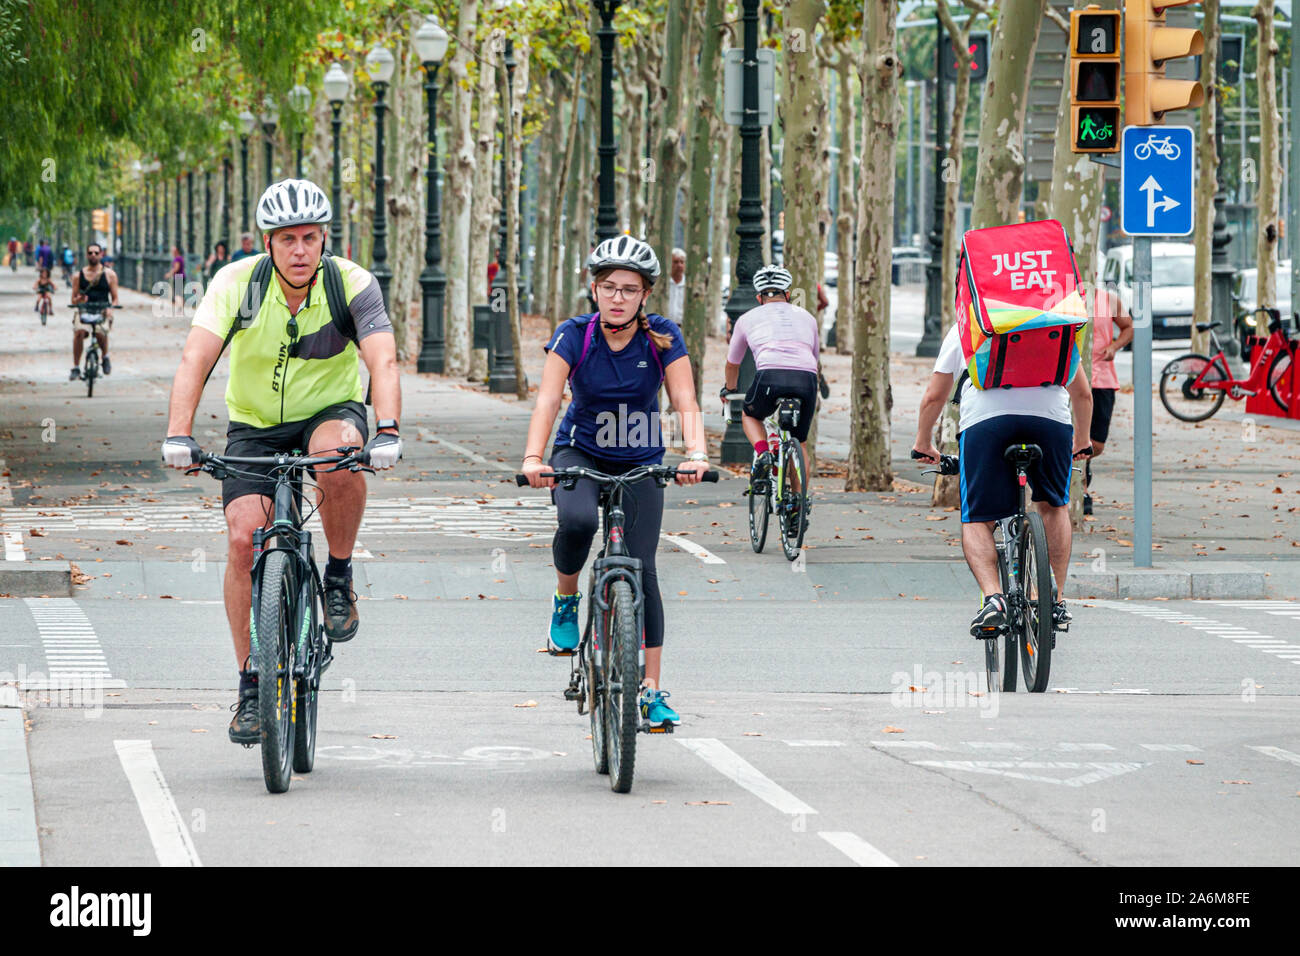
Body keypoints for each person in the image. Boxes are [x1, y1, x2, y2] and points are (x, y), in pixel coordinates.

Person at [161, 178, 402, 745]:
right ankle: (250, 684)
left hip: (329, 411)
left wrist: (387, 431)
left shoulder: (352, 285)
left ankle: (338, 576)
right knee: (245, 537)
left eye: (310, 238)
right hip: (254, 426)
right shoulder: (238, 284)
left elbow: (384, 361)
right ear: (266, 242)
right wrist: (178, 434)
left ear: (325, 240)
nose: (299, 250)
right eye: (287, 239)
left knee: (336, 455)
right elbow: (195, 359)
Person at [520, 235, 709, 729]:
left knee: (643, 568)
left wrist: (697, 453)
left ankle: (650, 691)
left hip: (641, 458)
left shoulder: (662, 336)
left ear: (645, 293)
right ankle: (566, 600)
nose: (618, 297)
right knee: (579, 521)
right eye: (609, 287)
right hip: (579, 451)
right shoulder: (574, 334)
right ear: (594, 289)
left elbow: (684, 401)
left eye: (629, 288)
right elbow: (547, 399)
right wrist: (534, 457)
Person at [912, 323, 1092, 638]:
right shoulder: (1056, 325)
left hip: (986, 420)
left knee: (979, 518)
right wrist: (1082, 441)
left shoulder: (969, 323)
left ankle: (994, 599)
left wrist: (923, 442)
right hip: (1050, 421)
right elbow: (1083, 394)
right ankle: (1055, 600)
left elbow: (934, 397)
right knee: (1053, 505)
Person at [722, 265, 822, 494]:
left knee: (749, 415)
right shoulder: (807, 317)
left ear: (758, 297)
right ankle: (798, 504)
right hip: (806, 378)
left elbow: (732, 363)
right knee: (801, 443)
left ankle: (764, 451)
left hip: (770, 376)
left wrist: (729, 389)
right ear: (787, 294)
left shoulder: (747, 318)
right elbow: (814, 358)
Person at [1085, 280, 1133, 516]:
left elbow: (1128, 327)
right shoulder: (1060, 297)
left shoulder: (1108, 299)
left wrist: (1114, 347)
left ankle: (1084, 466)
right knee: (1071, 440)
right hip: (1071, 379)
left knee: (1096, 443)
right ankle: (1080, 489)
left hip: (1102, 379)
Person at [69, 243, 119, 379]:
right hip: (84, 309)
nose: (93, 255)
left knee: (100, 332)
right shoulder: (78, 276)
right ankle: (76, 367)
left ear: (101, 254)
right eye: (90, 253)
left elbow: (115, 299)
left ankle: (105, 356)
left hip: (102, 309)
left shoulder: (110, 275)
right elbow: (73, 300)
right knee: (79, 332)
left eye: (96, 253)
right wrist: (78, 300)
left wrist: (110, 309)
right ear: (86, 255)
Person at [665, 248, 686, 327]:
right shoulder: (664, 284)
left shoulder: (688, 286)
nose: (679, 265)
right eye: (675, 262)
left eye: (682, 262)